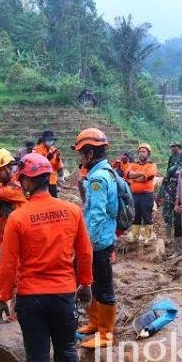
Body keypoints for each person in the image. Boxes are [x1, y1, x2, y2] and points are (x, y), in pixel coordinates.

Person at [0, 152, 92, 362]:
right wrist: (84, 283)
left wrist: (2, 297)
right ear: (47, 178)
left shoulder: (18, 217)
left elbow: (8, 263)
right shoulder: (72, 211)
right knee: (66, 350)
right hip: (63, 295)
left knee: (38, 355)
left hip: (31, 298)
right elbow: (84, 253)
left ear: (26, 181)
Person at [73, 128, 118, 349]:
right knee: (90, 280)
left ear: (90, 154)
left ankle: (106, 334)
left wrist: (86, 243)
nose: (81, 158)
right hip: (101, 238)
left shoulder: (98, 177)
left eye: (82, 154)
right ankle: (95, 322)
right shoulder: (106, 172)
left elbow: (98, 214)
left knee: (102, 285)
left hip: (98, 241)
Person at [0, 148, 26, 251]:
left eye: (0, 170)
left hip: (20, 235)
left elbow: (2, 193)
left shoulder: (18, 183)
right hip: (4, 237)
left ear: (9, 168)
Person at [124, 144, 158, 245]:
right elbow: (128, 174)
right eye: (140, 151)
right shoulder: (133, 164)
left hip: (146, 195)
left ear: (148, 153)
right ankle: (135, 236)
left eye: (144, 151)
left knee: (147, 215)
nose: (141, 153)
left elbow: (147, 177)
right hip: (134, 195)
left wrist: (135, 177)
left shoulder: (152, 165)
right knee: (135, 215)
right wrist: (140, 174)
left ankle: (148, 237)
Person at [156, 141, 182, 240]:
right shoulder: (171, 157)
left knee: (178, 213)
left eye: (175, 147)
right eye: (172, 147)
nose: (173, 149)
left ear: (179, 147)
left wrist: (172, 171)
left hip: (180, 186)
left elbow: (178, 169)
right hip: (170, 185)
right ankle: (168, 237)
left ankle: (178, 236)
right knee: (167, 212)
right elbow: (168, 172)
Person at [33, 130, 64, 198]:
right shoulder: (36, 150)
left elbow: (58, 167)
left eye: (52, 140)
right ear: (43, 140)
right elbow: (34, 166)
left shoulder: (54, 150)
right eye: (49, 140)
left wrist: (58, 158)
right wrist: (47, 159)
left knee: (54, 200)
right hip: (40, 180)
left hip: (52, 180)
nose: (50, 141)